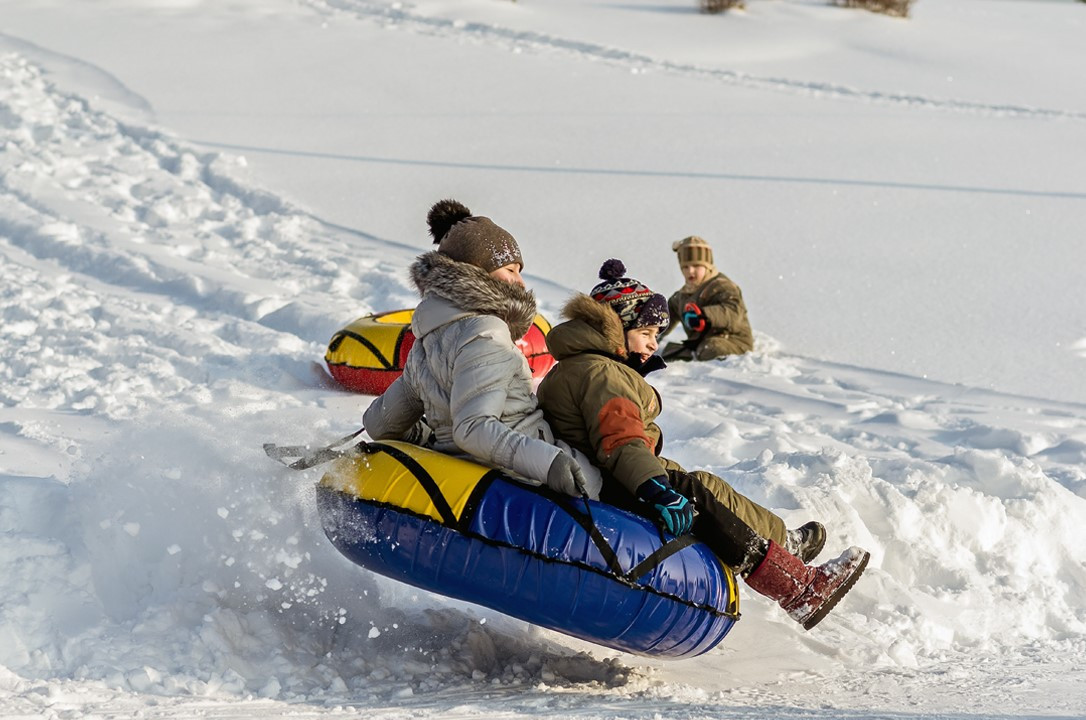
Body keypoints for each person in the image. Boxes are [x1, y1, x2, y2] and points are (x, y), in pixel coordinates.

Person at [536, 259, 869, 630]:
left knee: (703, 483)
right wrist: (655, 490)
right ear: (616, 329)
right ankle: (797, 589)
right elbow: (622, 443)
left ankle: (784, 542)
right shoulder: (601, 373)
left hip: (612, 476)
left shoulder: (588, 367)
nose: (653, 343)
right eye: (645, 331)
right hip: (613, 485)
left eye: (657, 335)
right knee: (691, 493)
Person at [363, 199, 601, 499]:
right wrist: (551, 463)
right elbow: (474, 428)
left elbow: (379, 423)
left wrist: (431, 438)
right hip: (522, 476)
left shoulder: (428, 340)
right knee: (602, 478)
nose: (521, 281)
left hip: (462, 476)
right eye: (511, 270)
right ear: (476, 271)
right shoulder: (486, 332)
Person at [659, 235, 754, 362]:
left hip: (734, 342)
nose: (690, 271)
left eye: (696, 265)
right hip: (699, 344)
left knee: (711, 348)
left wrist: (704, 315)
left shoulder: (722, 286)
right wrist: (650, 334)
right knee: (668, 354)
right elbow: (665, 318)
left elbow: (734, 312)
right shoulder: (682, 296)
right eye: (685, 267)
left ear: (708, 266)